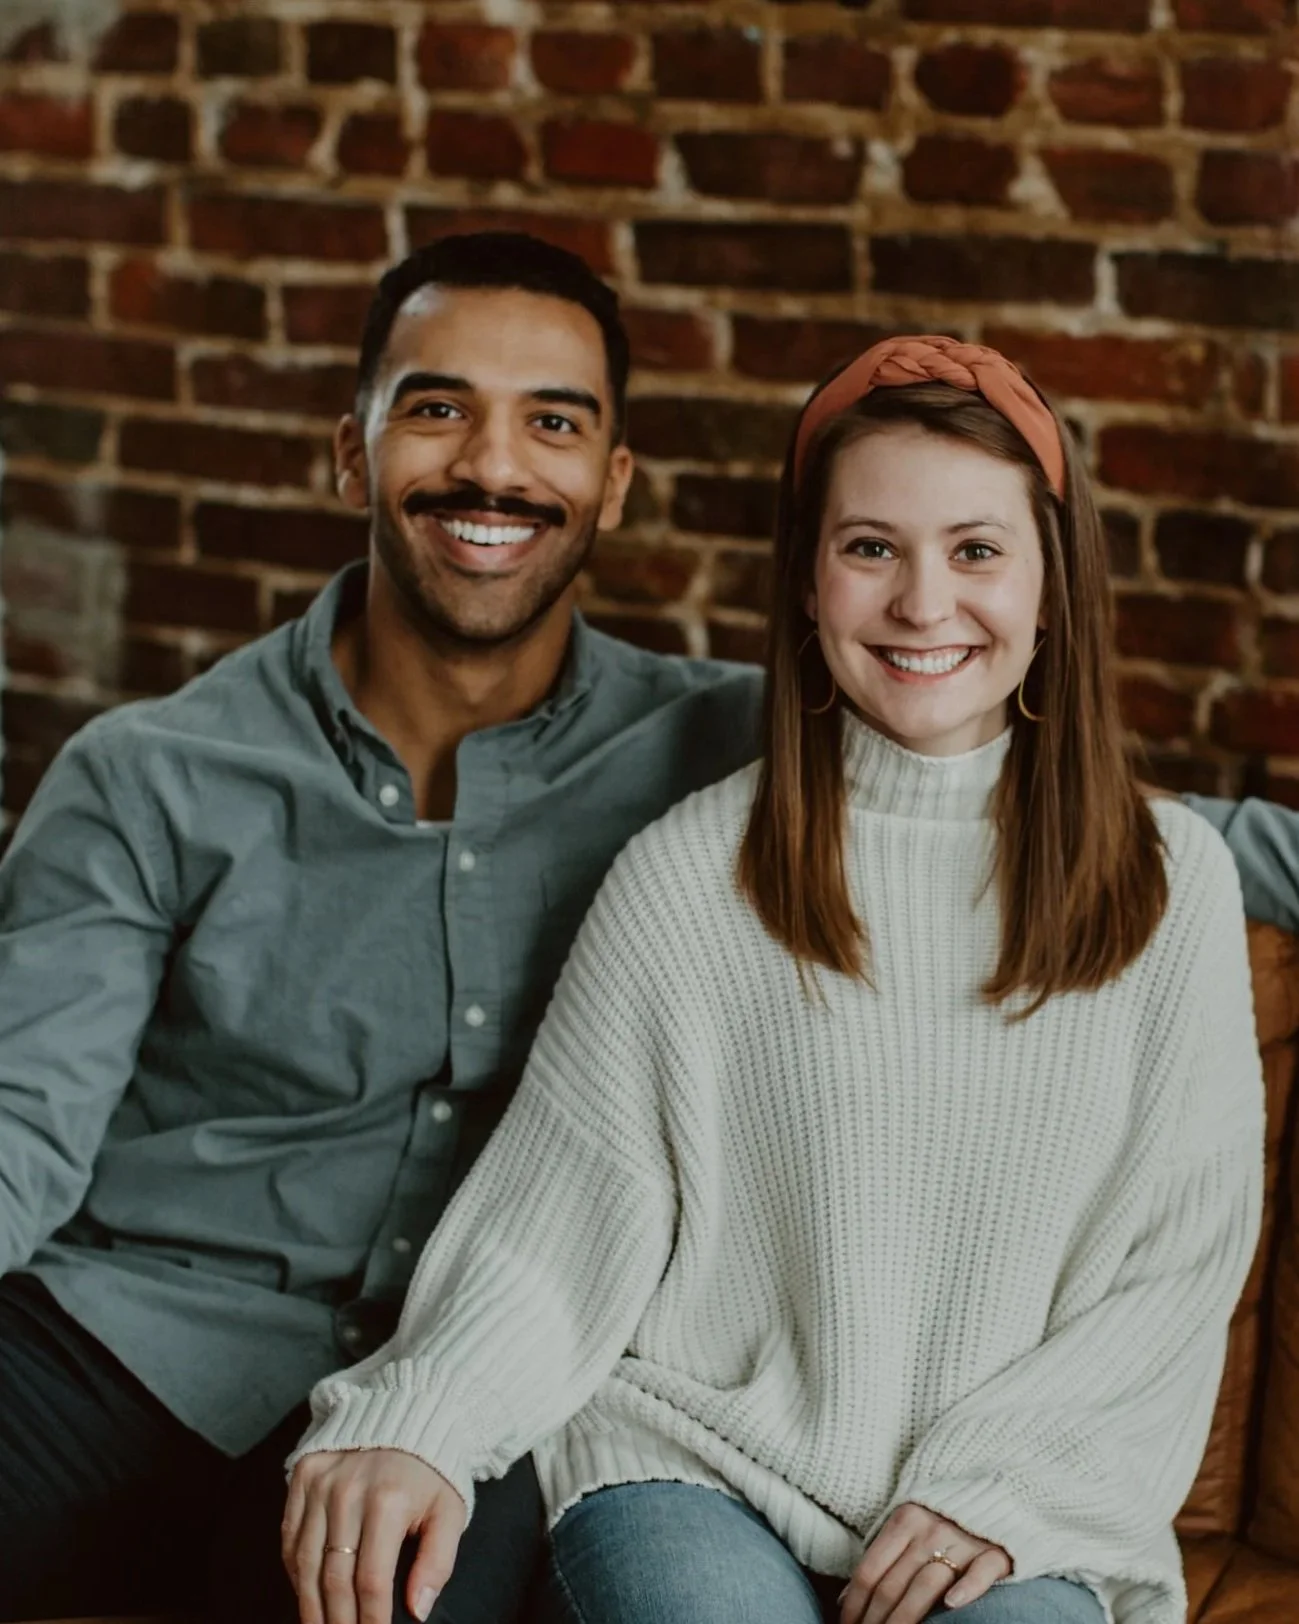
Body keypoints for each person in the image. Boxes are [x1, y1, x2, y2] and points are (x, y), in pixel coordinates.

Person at [283, 337, 1265, 1624]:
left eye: (975, 550)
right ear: (807, 583)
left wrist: (1004, 1485)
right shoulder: (691, 874)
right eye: (870, 548)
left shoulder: (1170, 881)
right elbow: (557, 1222)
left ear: (1052, 584)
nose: (923, 603)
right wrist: (415, 1419)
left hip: (1020, 1504)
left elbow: (1175, 1271)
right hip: (697, 1466)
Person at [0, 233, 763, 1624]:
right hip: (127, 1344)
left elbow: (1067, 815)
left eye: (552, 422)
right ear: (350, 455)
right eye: (435, 407)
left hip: (461, 1388)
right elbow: (18, 1119)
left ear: (611, 485)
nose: (491, 465)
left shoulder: (726, 750)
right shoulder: (148, 771)